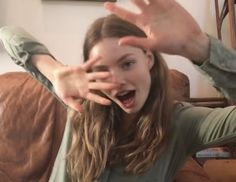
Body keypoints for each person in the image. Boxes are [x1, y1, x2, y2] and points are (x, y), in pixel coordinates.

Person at [1, 0, 236, 181]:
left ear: (148, 59)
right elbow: (8, 33)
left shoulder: (181, 123)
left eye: (127, 64)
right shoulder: (82, 100)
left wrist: (200, 47)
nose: (118, 80)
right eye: (102, 69)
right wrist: (53, 71)